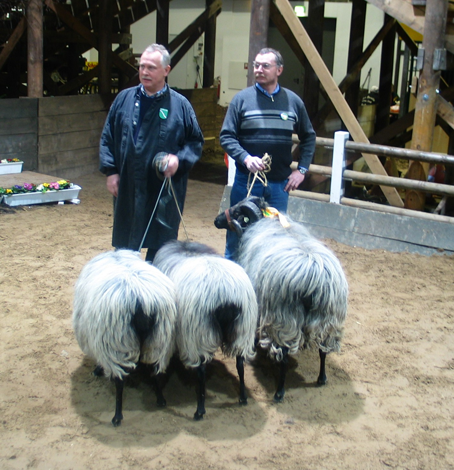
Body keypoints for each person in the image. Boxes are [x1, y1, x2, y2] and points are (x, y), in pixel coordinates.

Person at [99, 44, 204, 262]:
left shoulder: (180, 105)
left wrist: (179, 160)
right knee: (126, 244)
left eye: (152, 68)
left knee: (162, 245)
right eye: (142, 66)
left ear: (166, 70)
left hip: (163, 189)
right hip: (128, 184)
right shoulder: (123, 100)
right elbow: (107, 136)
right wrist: (111, 171)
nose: (145, 72)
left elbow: (195, 142)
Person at [220, 47, 316, 260]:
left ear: (279, 70)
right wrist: (245, 158)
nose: (259, 69)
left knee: (276, 239)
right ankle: (233, 287)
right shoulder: (241, 100)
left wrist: (301, 170)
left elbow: (309, 137)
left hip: (279, 186)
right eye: (256, 65)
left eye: (265, 65)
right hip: (247, 183)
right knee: (238, 234)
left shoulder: (293, 102)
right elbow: (226, 136)